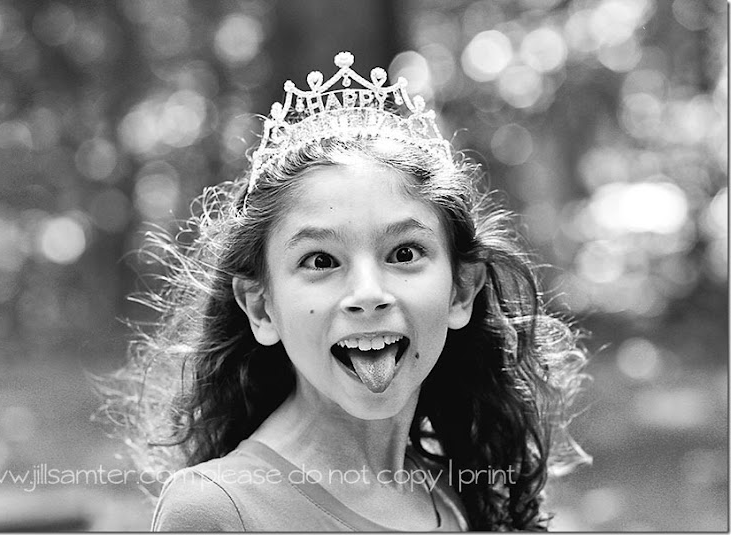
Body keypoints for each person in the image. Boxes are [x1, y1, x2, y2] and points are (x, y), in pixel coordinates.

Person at [102, 52, 590, 531]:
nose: (368, 293)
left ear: (461, 292)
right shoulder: (217, 511)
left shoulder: (459, 491)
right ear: (261, 308)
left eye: (404, 253)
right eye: (321, 261)